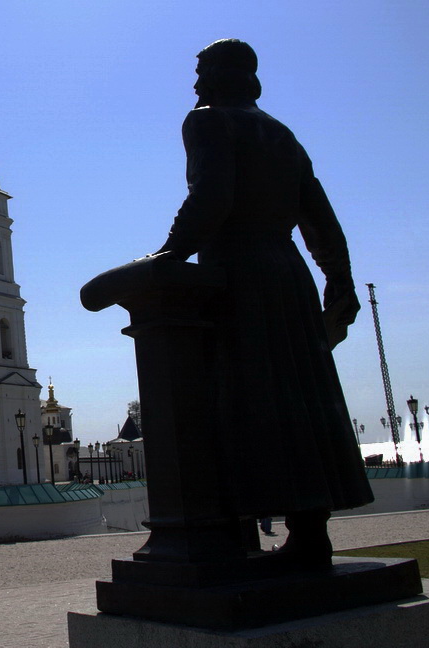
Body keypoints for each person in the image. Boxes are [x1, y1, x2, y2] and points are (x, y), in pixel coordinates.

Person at [155, 40, 373, 567]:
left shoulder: (206, 121)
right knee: (299, 394)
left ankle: (231, 526)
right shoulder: (281, 134)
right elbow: (320, 218)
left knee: (247, 396)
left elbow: (213, 196)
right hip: (288, 272)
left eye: (202, 72)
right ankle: (310, 532)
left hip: (237, 274)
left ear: (222, 77)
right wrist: (337, 281)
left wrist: (168, 254)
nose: (195, 84)